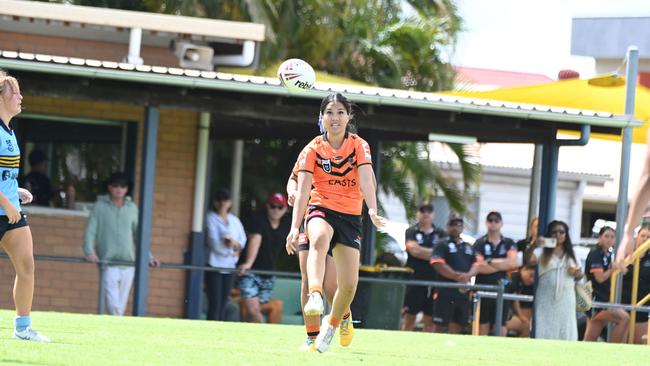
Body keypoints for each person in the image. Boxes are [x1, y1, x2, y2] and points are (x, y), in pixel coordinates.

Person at [286, 92, 386, 353]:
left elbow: (367, 179)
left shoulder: (359, 146)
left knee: (346, 285)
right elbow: (302, 185)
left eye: (340, 112)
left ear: (349, 117)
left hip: (350, 217)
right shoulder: (312, 149)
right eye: (329, 112)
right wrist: (294, 227)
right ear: (322, 117)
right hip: (320, 209)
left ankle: (332, 326)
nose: (335, 118)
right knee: (314, 258)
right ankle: (314, 314)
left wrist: (373, 209)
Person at [0, 70, 50, 341]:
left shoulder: (9, 130)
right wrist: (7, 204)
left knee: (27, 267)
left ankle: (23, 329)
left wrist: (15, 190)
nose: (20, 96)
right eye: (14, 92)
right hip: (6, 210)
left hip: (10, 212)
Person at [84, 172, 160, 316]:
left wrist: (149, 257)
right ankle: (117, 324)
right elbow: (90, 231)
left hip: (129, 263)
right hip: (108, 262)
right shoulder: (99, 207)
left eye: (123, 186)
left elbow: (139, 236)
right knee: (112, 303)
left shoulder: (132, 208)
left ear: (127, 189)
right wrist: (89, 251)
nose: (119, 189)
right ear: (109, 187)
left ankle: (114, 328)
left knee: (121, 303)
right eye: (115, 186)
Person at [286, 153, 340, 350]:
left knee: (330, 286)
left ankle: (344, 317)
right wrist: (293, 191)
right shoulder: (313, 149)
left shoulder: (353, 151)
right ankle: (311, 336)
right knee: (308, 281)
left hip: (336, 220)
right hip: (310, 218)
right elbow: (293, 178)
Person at [237, 193, 290, 323]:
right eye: (272, 206)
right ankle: (267, 334)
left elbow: (297, 245)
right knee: (252, 310)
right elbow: (255, 239)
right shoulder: (259, 220)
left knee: (256, 311)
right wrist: (248, 263)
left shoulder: (287, 224)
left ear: (285, 209)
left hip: (268, 273)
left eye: (280, 207)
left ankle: (255, 337)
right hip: (251, 272)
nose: (275, 210)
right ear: (267, 206)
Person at [529, 220, 583, 340]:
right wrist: (535, 244)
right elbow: (528, 260)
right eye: (554, 232)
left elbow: (580, 276)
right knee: (544, 329)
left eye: (561, 232)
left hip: (566, 298)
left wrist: (575, 272)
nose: (558, 235)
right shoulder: (542, 252)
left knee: (566, 329)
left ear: (566, 235)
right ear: (549, 234)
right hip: (545, 298)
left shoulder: (572, 253)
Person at [429, 216, 480, 334]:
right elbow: (438, 263)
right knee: (439, 324)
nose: (455, 228)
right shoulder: (442, 244)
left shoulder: (468, 246)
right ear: (447, 227)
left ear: (462, 228)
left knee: (457, 324)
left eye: (458, 225)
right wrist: (457, 276)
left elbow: (477, 265)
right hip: (445, 291)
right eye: (452, 225)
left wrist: (468, 276)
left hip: (462, 292)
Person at [402, 202, 447, 332]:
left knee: (430, 319)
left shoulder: (441, 233)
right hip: (414, 280)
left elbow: (443, 255)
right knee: (410, 317)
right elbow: (414, 251)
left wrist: (424, 252)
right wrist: (434, 253)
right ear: (418, 213)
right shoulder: (411, 231)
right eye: (423, 210)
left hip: (434, 280)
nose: (426, 214)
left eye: (429, 211)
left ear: (433, 214)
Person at [204, 188, 246, 321]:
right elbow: (214, 244)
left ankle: (219, 329)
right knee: (214, 302)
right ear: (216, 203)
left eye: (226, 200)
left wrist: (235, 246)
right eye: (220, 201)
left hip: (230, 266)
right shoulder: (210, 218)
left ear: (230, 203)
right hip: (214, 265)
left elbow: (242, 239)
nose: (223, 204)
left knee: (224, 302)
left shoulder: (234, 220)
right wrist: (231, 248)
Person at [473, 211, 517, 336]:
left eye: (496, 220)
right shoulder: (479, 243)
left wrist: (490, 261)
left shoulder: (509, 242)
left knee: (501, 325)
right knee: (482, 326)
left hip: (503, 288)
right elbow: (479, 267)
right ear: (486, 223)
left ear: (501, 223)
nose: (493, 223)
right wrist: (503, 264)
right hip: (483, 288)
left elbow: (513, 263)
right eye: (490, 220)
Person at [583, 226, 629, 343]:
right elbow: (600, 278)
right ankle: (614, 351)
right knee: (624, 318)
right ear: (600, 237)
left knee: (591, 338)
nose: (609, 239)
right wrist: (612, 269)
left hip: (601, 298)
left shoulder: (607, 254)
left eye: (612, 237)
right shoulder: (595, 253)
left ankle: (581, 357)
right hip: (594, 298)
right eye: (606, 236)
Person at [621, 225, 650, 344]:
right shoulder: (626, 255)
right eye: (642, 236)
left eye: (648, 237)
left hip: (642, 305)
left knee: (637, 344)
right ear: (637, 237)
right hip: (623, 304)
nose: (645, 239)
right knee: (620, 344)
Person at [505, 263, 535, 337]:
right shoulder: (514, 277)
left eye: (534, 278)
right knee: (526, 326)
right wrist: (521, 316)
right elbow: (515, 299)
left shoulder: (526, 286)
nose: (531, 280)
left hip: (508, 315)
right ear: (524, 269)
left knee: (527, 325)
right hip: (502, 316)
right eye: (530, 275)